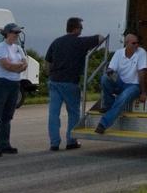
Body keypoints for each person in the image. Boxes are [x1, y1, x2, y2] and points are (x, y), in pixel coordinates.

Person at [44, 16, 105, 151]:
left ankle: (54, 143)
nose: (82, 30)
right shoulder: (80, 42)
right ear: (76, 28)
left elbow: (47, 64)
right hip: (70, 82)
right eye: (81, 28)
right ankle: (71, 141)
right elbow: (100, 38)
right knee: (73, 113)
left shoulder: (56, 42)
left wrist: (50, 75)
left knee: (53, 114)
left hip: (54, 81)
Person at [0, 23, 28, 157]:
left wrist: (17, 67)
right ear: (7, 33)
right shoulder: (0, 47)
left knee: (7, 116)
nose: (17, 35)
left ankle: (4, 144)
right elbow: (6, 65)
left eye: (18, 33)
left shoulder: (18, 48)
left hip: (14, 83)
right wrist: (18, 66)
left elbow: (24, 64)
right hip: (1, 82)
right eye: (15, 32)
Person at [93, 32, 147, 134]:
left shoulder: (141, 52)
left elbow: (141, 74)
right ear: (126, 43)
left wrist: (143, 92)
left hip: (133, 86)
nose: (137, 45)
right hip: (121, 83)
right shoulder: (118, 53)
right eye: (134, 43)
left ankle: (103, 124)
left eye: (137, 43)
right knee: (105, 78)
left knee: (122, 98)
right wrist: (110, 73)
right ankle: (109, 105)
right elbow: (111, 69)